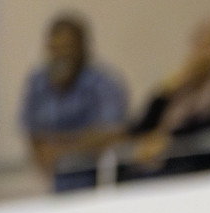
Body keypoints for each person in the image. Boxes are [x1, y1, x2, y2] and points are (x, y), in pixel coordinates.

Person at [124, 18, 210, 179]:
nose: (202, 53)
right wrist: (167, 89)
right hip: (171, 168)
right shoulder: (182, 88)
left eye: (209, 46)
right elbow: (143, 127)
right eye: (199, 45)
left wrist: (167, 140)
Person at [19, 13, 129, 192]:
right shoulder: (38, 83)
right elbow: (35, 135)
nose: (62, 55)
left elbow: (112, 133)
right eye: (55, 48)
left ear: (83, 48)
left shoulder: (104, 83)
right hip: (57, 184)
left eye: (68, 47)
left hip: (100, 181)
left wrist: (61, 150)